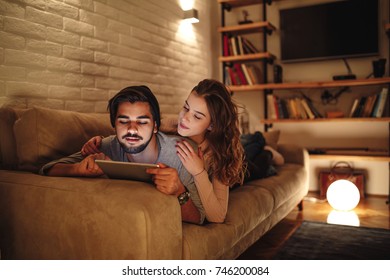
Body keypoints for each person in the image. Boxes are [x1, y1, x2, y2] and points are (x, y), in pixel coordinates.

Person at [39, 85, 205, 224]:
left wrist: (179, 192)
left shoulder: (181, 154)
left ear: (155, 126)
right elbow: (46, 169)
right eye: (124, 121)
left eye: (142, 122)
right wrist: (77, 170)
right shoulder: (107, 146)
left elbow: (200, 218)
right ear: (114, 125)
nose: (132, 129)